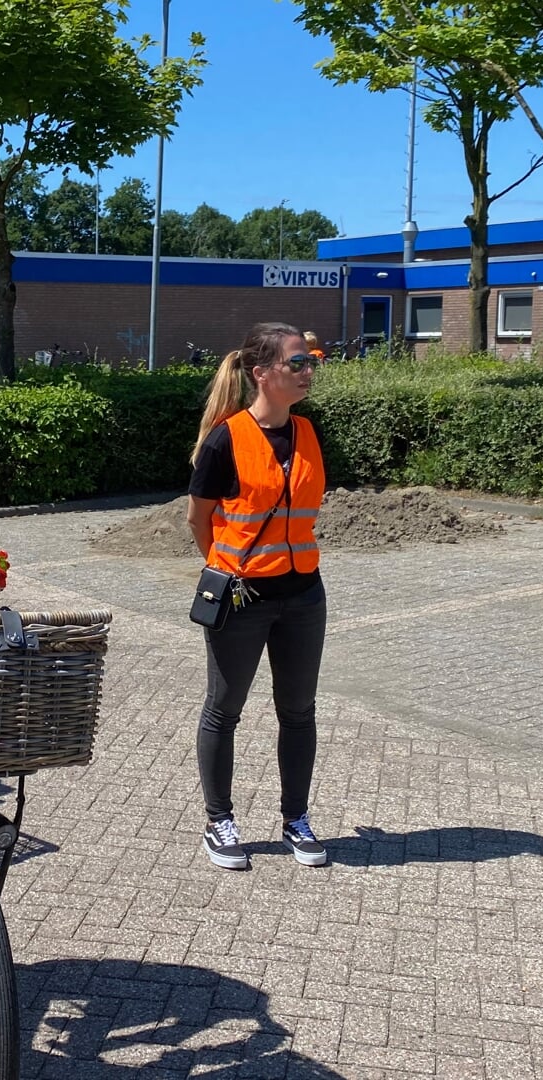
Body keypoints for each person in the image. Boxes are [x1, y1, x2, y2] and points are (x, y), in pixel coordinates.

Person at [185, 322, 329, 871]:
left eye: (311, 360)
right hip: (243, 597)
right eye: (297, 363)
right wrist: (226, 568)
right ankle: (218, 820)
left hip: (303, 594)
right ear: (261, 373)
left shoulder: (310, 434)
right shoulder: (226, 438)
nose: (308, 371)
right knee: (224, 710)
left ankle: (297, 819)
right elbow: (198, 518)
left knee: (299, 712)